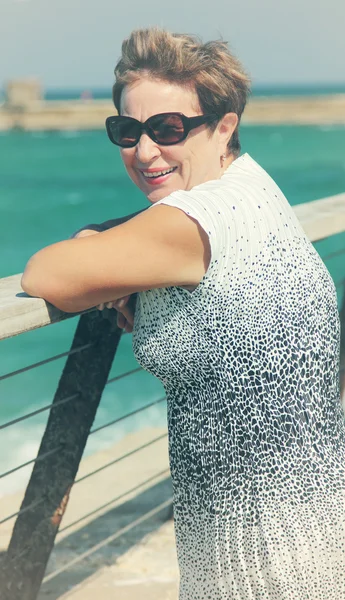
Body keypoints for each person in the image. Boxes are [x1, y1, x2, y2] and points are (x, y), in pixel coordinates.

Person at [21, 27, 345, 600]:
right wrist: (122, 253)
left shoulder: (197, 221)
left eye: (168, 128)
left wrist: (99, 250)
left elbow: (46, 275)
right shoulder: (251, 186)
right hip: (306, 528)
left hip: (259, 563)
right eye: (126, 131)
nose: (145, 151)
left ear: (225, 126)